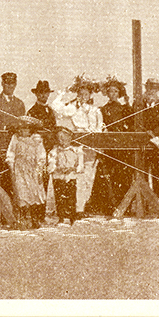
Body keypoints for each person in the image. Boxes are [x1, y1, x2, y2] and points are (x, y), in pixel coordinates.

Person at [51, 75, 103, 215]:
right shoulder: (72, 108)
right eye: (80, 94)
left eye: (86, 94)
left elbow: (99, 128)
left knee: (89, 177)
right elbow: (56, 108)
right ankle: (78, 208)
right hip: (77, 147)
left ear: (90, 95)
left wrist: (95, 132)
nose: (83, 96)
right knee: (78, 176)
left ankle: (84, 205)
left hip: (91, 147)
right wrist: (62, 94)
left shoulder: (95, 111)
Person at [85, 76, 134, 216]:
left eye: (115, 92)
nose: (112, 94)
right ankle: (107, 206)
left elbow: (131, 125)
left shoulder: (124, 108)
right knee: (106, 176)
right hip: (109, 147)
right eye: (110, 91)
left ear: (119, 93)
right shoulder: (103, 109)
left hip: (121, 147)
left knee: (122, 175)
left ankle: (124, 205)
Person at [0, 72, 26, 202]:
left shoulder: (20, 104)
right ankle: (2, 214)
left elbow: (22, 126)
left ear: (15, 85)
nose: (10, 86)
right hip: (0, 147)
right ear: (2, 84)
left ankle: (15, 210)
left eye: (12, 84)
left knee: (16, 180)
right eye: (7, 84)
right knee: (1, 178)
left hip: (15, 147)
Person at [133, 78, 159, 205]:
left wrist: (154, 133)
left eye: (154, 89)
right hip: (142, 143)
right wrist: (144, 132)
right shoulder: (138, 106)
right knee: (142, 173)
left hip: (157, 144)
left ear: (157, 91)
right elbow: (134, 121)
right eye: (149, 88)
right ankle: (144, 203)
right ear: (146, 89)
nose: (151, 91)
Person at [6, 116, 47, 229]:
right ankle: (23, 218)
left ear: (31, 130)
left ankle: (34, 218)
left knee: (33, 192)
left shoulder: (37, 140)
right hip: (19, 168)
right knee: (21, 192)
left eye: (27, 129)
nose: (24, 131)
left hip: (32, 169)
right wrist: (11, 165)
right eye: (22, 128)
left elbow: (41, 156)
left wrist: (39, 170)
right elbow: (11, 152)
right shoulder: (15, 138)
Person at [47, 126, 84, 225]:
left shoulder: (77, 151)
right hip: (58, 177)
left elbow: (80, 167)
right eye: (60, 139)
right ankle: (61, 217)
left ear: (70, 139)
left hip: (71, 177)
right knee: (59, 197)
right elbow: (50, 167)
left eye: (65, 138)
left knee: (71, 197)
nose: (62, 141)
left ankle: (72, 217)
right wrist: (58, 169)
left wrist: (72, 169)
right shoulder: (54, 152)